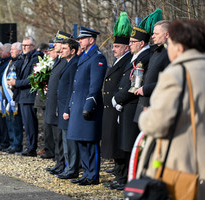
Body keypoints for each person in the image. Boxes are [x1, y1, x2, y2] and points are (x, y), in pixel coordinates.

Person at [136, 19, 205, 199]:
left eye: (171, 43)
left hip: (181, 164)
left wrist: (146, 116)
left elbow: (157, 123)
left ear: (180, 47)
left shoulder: (177, 74)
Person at [111, 8, 161, 189]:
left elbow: (136, 83)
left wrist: (119, 99)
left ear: (141, 43)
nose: (129, 45)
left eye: (132, 42)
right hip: (128, 104)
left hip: (134, 104)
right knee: (125, 144)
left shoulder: (145, 57)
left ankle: (129, 179)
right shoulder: (136, 57)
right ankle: (125, 177)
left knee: (132, 144)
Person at [68, 27, 107, 186]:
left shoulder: (98, 57)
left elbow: (95, 85)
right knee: (81, 141)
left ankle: (93, 175)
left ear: (91, 40)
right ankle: (86, 173)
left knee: (90, 142)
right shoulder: (85, 56)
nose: (79, 41)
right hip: (79, 104)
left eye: (82, 39)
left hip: (89, 106)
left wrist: (89, 105)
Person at [100, 12, 132, 187]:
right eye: (114, 46)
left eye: (117, 46)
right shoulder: (121, 59)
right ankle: (118, 176)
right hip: (110, 108)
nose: (113, 49)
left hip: (118, 107)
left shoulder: (127, 60)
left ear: (126, 48)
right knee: (114, 144)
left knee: (119, 146)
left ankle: (122, 179)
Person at [7, 36, 43, 157]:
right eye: (23, 45)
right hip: (22, 96)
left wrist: (16, 83)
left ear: (33, 46)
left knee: (30, 123)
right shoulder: (24, 58)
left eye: (27, 45)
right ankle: (29, 146)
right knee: (26, 124)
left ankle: (31, 147)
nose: (24, 48)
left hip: (29, 96)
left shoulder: (36, 58)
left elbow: (32, 79)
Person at [44, 31, 72, 176]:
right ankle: (58, 162)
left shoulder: (66, 60)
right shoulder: (59, 60)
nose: (54, 45)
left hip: (60, 103)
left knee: (61, 137)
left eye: (58, 42)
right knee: (56, 136)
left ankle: (63, 164)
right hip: (54, 102)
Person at [133, 20, 170, 121]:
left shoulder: (170, 53)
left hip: (156, 106)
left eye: (156, 34)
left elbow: (169, 82)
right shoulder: (156, 51)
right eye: (153, 33)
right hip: (145, 105)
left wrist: (145, 89)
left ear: (167, 34)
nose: (153, 36)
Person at [55, 38, 80, 180]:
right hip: (63, 105)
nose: (61, 50)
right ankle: (67, 166)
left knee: (69, 140)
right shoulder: (67, 63)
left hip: (68, 107)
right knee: (65, 139)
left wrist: (67, 109)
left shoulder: (75, 63)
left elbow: (72, 88)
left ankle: (72, 169)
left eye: (65, 48)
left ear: (73, 51)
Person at [1, 42, 24, 154]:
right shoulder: (11, 61)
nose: (11, 51)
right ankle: (12, 143)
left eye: (13, 50)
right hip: (8, 95)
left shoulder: (20, 62)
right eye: (11, 50)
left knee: (16, 123)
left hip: (15, 95)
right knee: (9, 122)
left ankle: (17, 144)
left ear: (19, 51)